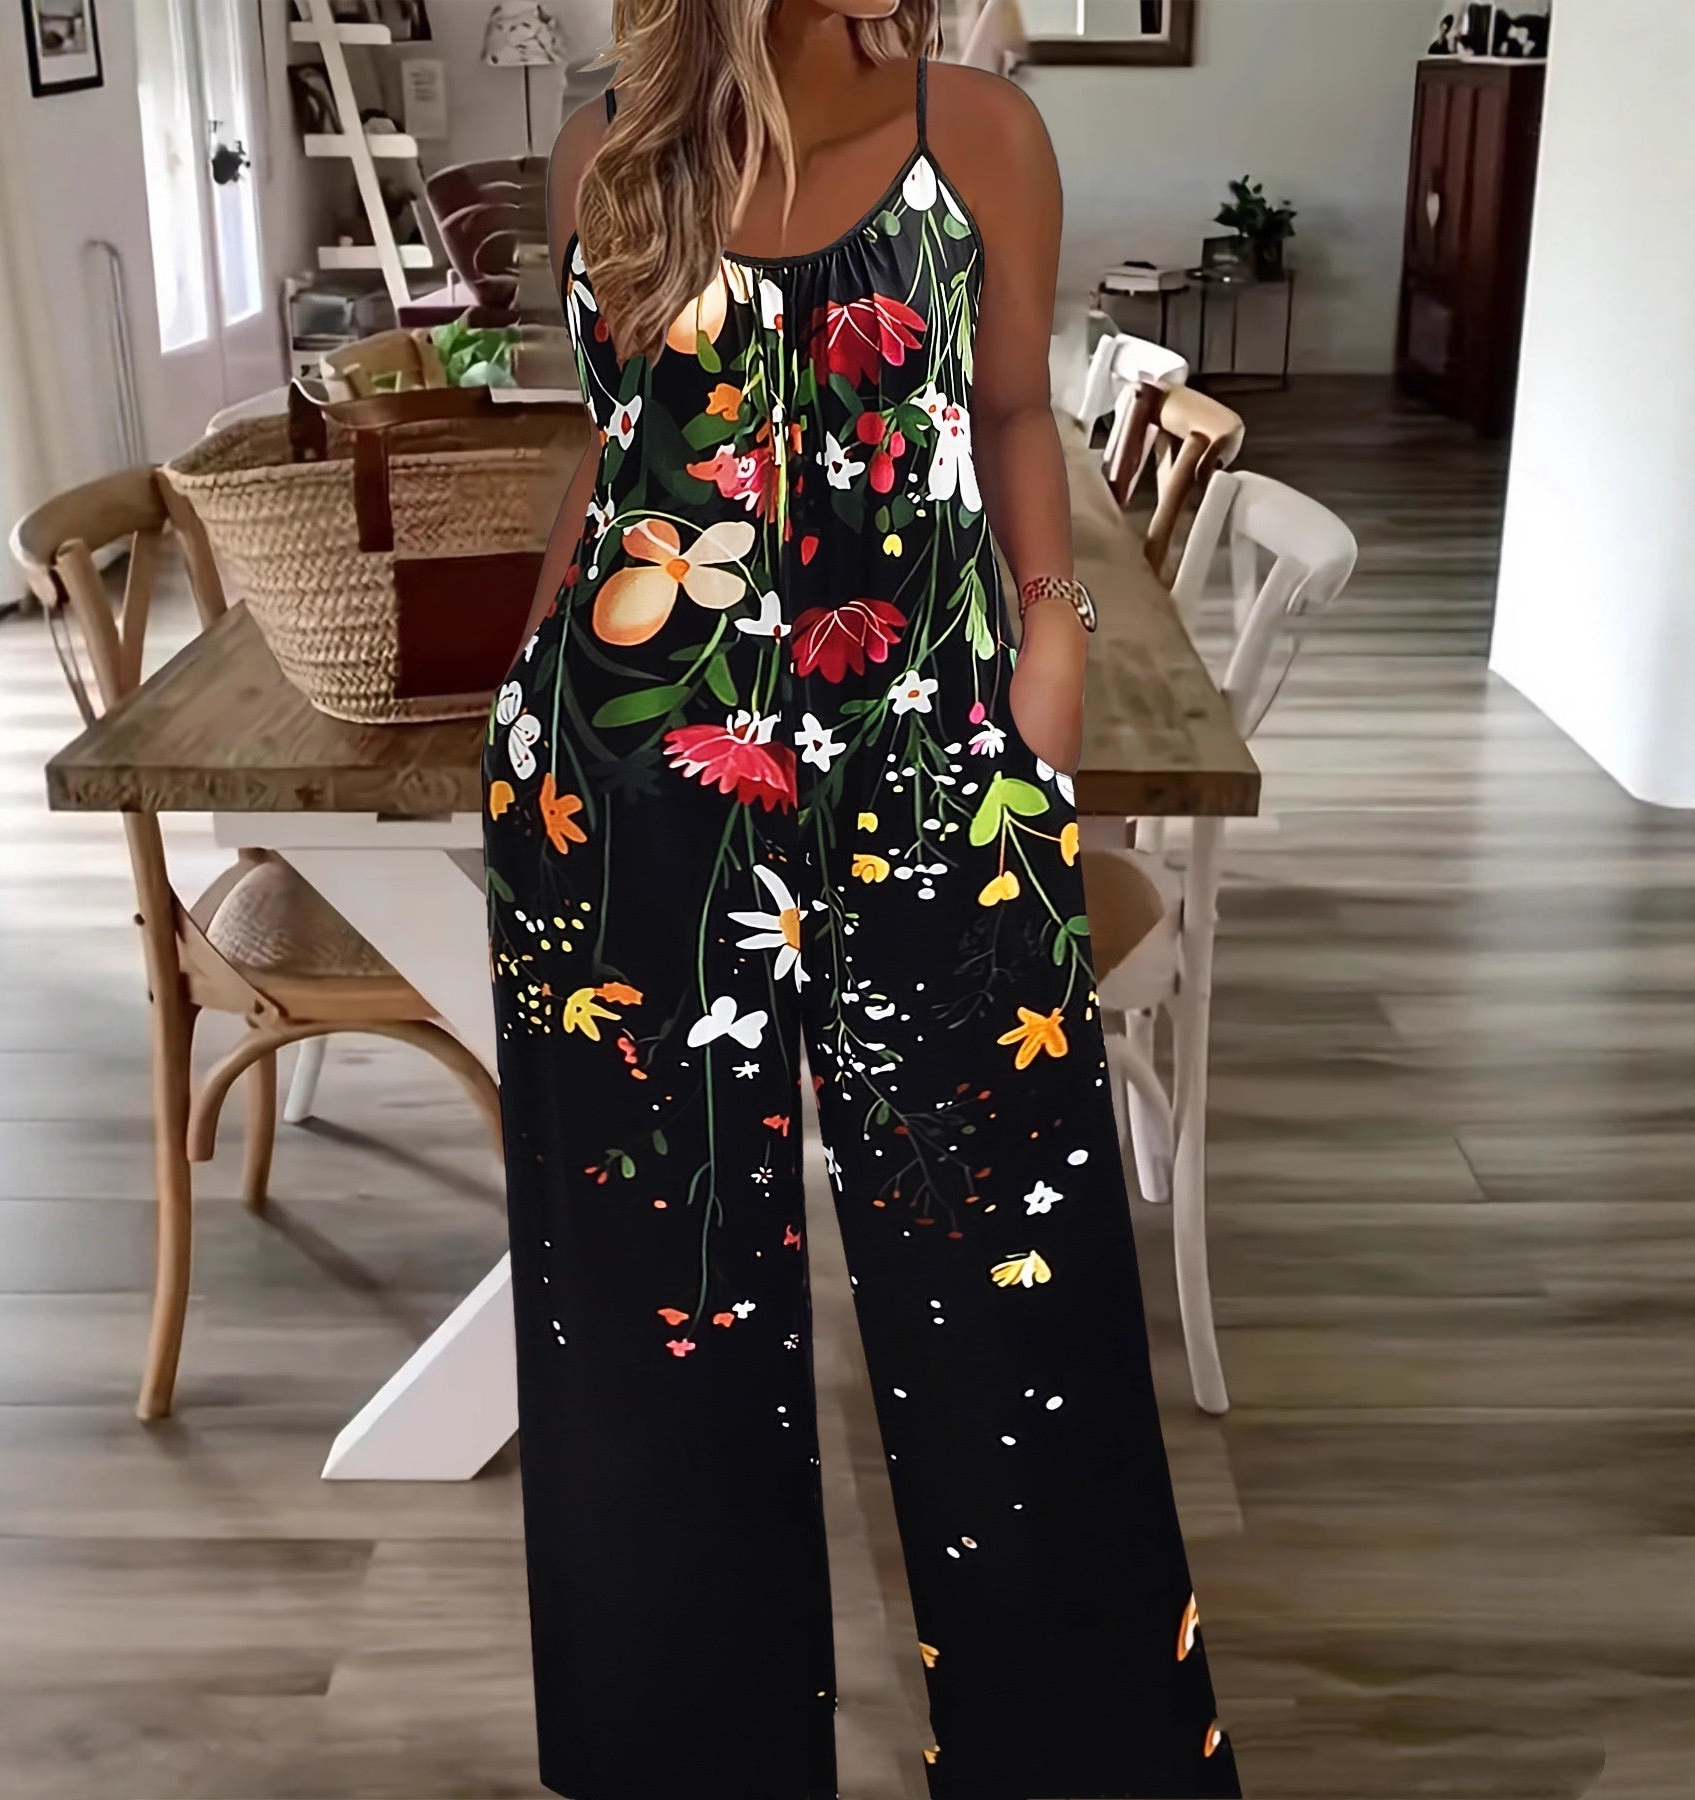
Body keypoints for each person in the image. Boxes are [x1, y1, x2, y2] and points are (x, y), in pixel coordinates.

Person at [481, 3, 1241, 1795]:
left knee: (1012, 1277)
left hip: (932, 756)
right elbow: (619, 449)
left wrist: (1056, 635)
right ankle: (682, 1758)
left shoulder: (975, 136)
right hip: (629, 781)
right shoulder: (606, 157)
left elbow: (1013, 412)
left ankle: (1087, 1763)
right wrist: (529, 677)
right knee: (651, 1295)